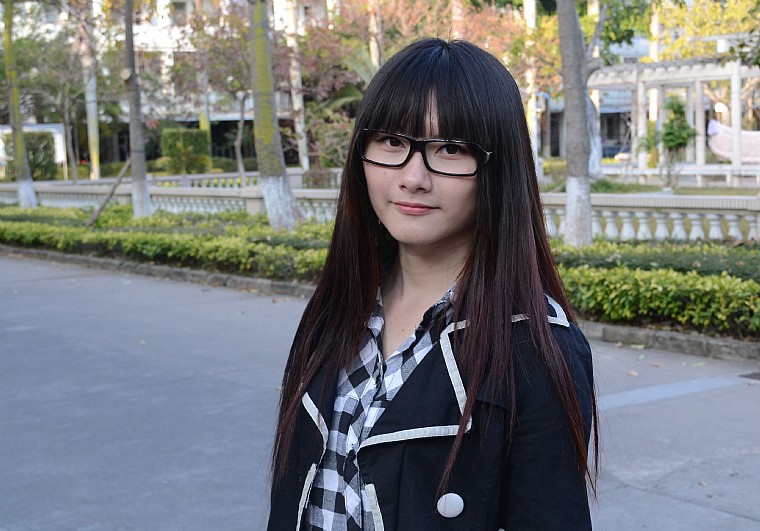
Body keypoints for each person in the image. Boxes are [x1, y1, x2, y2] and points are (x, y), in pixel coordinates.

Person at [268, 38, 598, 531]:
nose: (413, 177)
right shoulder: (335, 311)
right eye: (392, 142)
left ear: (498, 168)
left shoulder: (536, 347)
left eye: (450, 149)